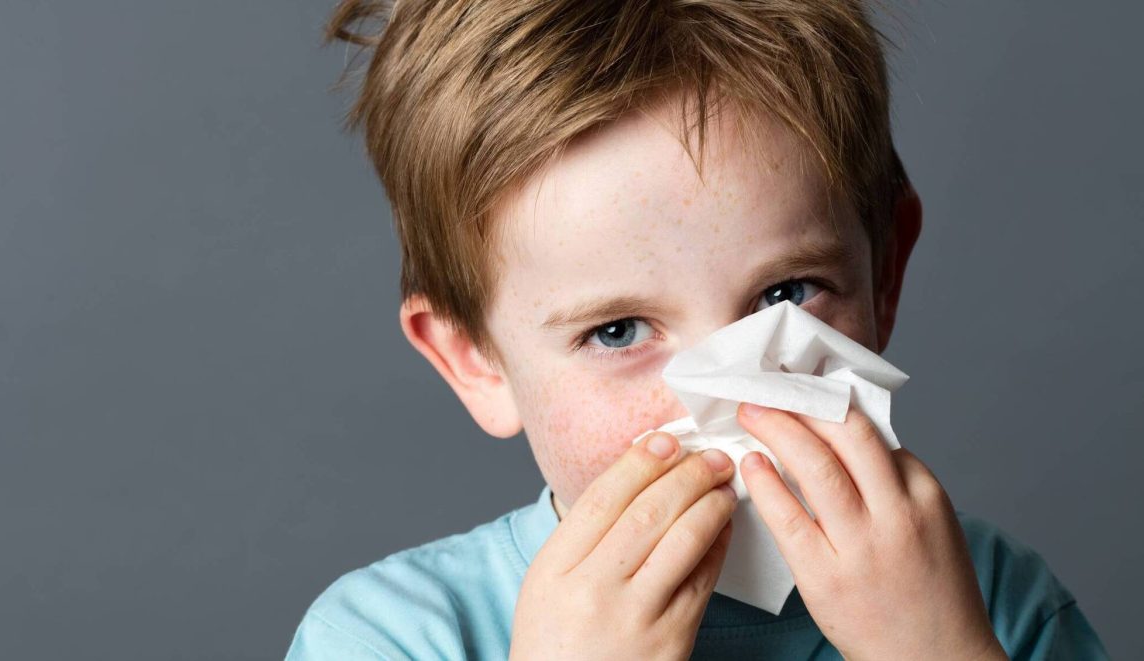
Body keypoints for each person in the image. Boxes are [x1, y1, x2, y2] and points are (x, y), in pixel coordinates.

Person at [286, 1, 1108, 658]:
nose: (727, 390)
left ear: (883, 276)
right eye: (617, 331)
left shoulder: (995, 602)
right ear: (475, 360)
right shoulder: (389, 638)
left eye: (786, 292)